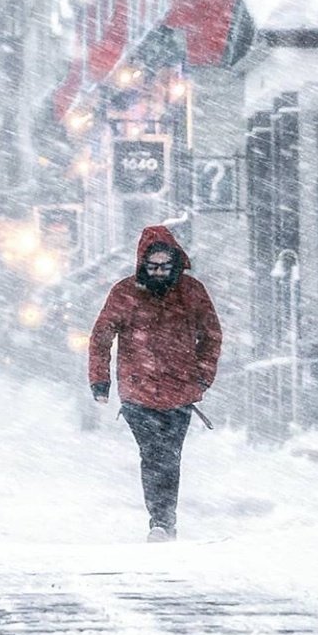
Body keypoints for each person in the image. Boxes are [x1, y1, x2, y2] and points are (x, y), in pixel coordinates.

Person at [88, 225, 222, 543]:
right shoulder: (124, 293)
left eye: (164, 266)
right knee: (153, 453)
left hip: (180, 391)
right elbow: (101, 338)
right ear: (142, 264)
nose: (159, 272)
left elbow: (212, 335)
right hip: (138, 393)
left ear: (176, 263)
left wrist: (203, 375)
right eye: (153, 266)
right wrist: (100, 380)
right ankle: (160, 521)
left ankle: (164, 521)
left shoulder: (192, 293)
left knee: (169, 455)